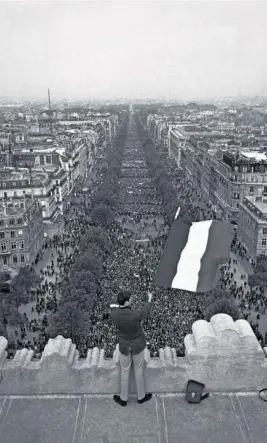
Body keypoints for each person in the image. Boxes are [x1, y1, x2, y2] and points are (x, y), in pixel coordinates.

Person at [110, 289, 153, 407]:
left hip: (124, 345)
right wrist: (149, 299)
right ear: (127, 303)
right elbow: (145, 312)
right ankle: (141, 397)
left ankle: (123, 399)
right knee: (138, 370)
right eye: (130, 299)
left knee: (124, 371)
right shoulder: (135, 314)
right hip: (137, 344)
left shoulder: (114, 315)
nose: (131, 300)